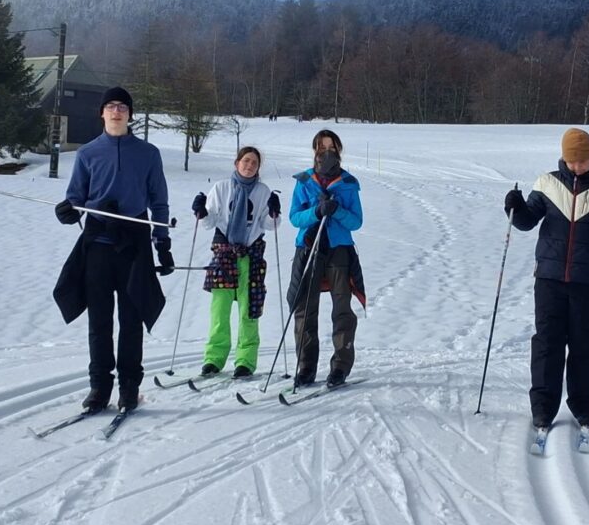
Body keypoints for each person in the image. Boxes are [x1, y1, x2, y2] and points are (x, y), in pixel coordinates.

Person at [53, 87, 173, 413]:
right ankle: (99, 387)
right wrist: (68, 211)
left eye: (122, 106)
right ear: (102, 113)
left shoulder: (148, 154)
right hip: (98, 246)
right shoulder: (88, 153)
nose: (116, 111)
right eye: (110, 106)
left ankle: (129, 386)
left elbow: (158, 201)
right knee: (100, 322)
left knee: (131, 321)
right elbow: (76, 197)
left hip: (134, 245)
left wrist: (162, 244)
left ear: (130, 114)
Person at [503, 127, 589, 431]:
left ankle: (583, 406)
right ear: (563, 157)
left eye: (583, 161)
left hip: (588, 279)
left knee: (584, 344)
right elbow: (525, 222)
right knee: (547, 343)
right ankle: (543, 408)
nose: (577, 166)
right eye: (572, 161)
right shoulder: (548, 184)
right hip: (548, 277)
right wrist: (513, 206)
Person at [191, 147, 281, 378]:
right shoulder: (221, 188)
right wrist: (201, 211)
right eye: (246, 161)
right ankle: (214, 358)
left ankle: (245, 361)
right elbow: (209, 222)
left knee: (248, 311)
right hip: (224, 254)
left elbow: (268, 225)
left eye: (254, 163)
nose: (249, 166)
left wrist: (274, 213)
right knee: (219, 311)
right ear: (237, 162)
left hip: (251, 255)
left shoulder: (262, 191)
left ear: (258, 168)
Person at [286, 129, 366, 388]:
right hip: (309, 247)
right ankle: (306, 366)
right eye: (321, 149)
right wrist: (316, 211)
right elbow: (294, 218)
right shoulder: (304, 180)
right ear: (315, 152)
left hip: (338, 249)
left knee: (342, 309)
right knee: (305, 309)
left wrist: (337, 210)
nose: (326, 153)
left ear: (339, 151)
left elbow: (356, 221)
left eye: (331, 148)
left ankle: (340, 367)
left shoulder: (348, 182)